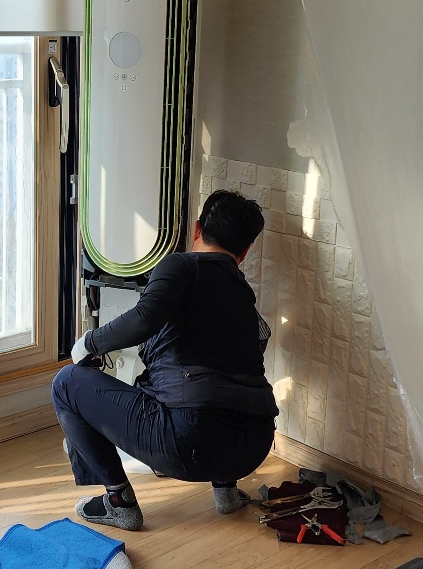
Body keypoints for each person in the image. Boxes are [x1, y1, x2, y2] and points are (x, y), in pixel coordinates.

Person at [51, 189, 277, 531]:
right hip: (254, 446)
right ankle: (226, 493)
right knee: (218, 382)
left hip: (189, 445)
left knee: (65, 384)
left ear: (197, 229)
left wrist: (89, 343)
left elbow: (145, 318)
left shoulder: (181, 265)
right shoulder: (243, 292)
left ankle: (119, 503)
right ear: (244, 252)